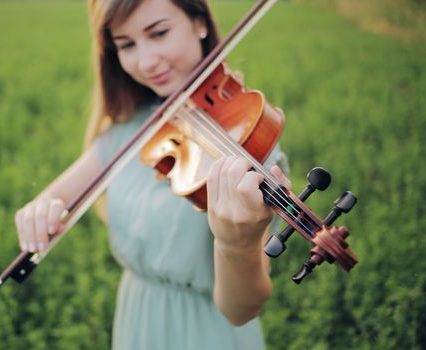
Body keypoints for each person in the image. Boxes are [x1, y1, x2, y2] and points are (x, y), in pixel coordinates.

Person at [15, 0, 290, 348]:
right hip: (137, 320)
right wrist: (38, 213)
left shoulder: (249, 147)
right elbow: (53, 199)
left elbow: (240, 310)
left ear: (199, 23)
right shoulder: (129, 130)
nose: (145, 62)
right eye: (126, 45)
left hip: (209, 333)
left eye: (158, 33)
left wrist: (238, 244)